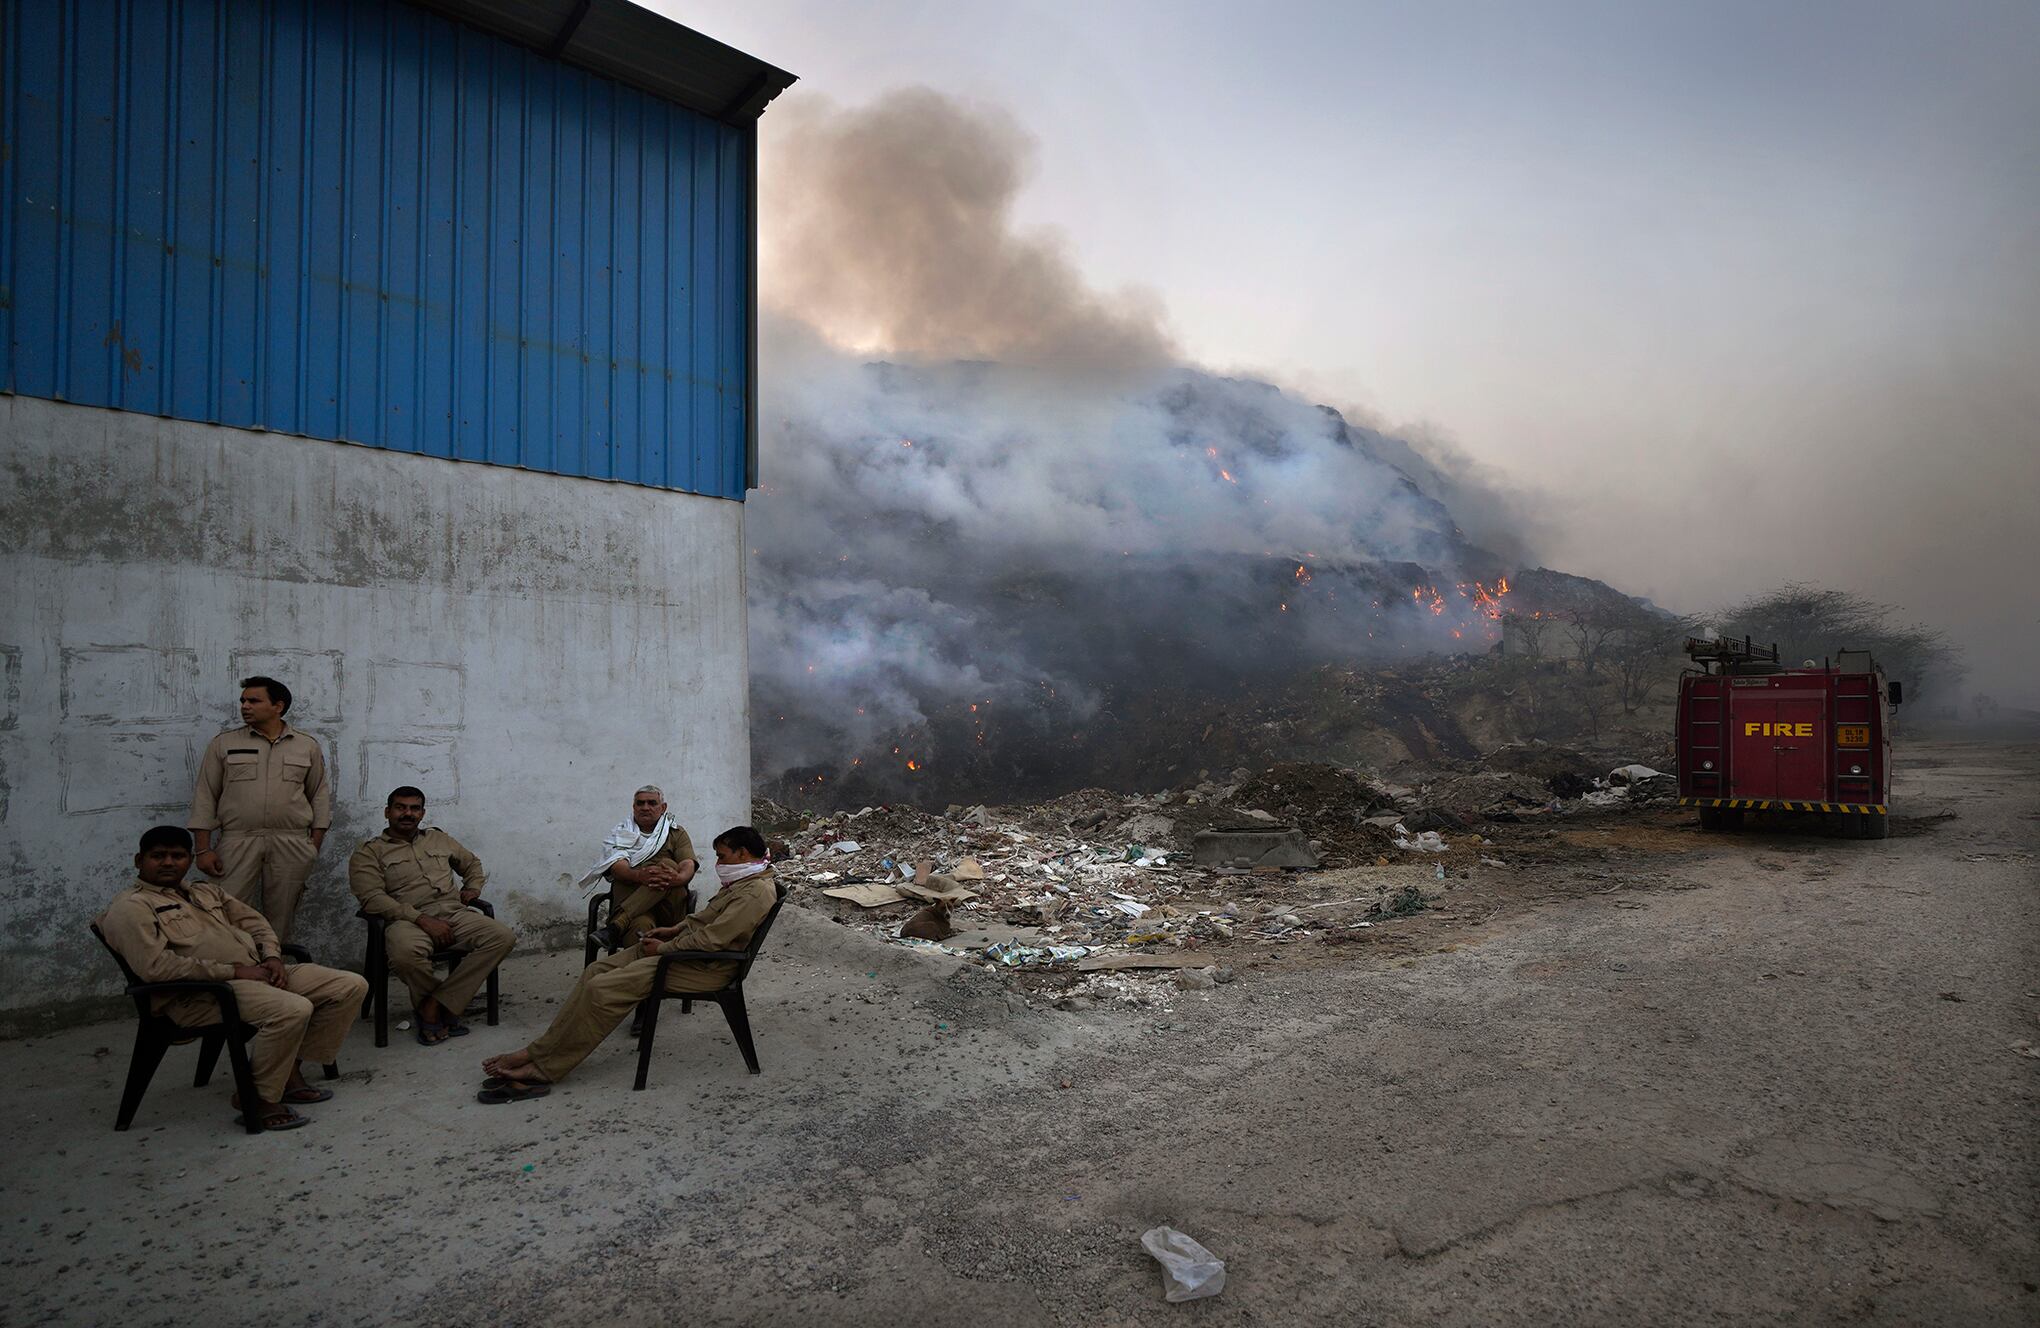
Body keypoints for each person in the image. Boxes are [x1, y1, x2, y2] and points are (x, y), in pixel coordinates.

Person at [97, 826, 367, 1131]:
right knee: (292, 1009)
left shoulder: (205, 891)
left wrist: (272, 956)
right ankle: (259, 1097)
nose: (169, 863)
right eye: (158, 856)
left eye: (177, 856)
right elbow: (156, 967)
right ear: (138, 860)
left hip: (255, 975)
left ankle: (288, 1070)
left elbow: (256, 923)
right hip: (201, 994)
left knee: (349, 985)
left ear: (188, 859)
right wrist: (235, 972)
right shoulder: (131, 907)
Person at [479, 826, 778, 1100]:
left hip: (703, 967)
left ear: (742, 854)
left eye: (722, 856)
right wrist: (673, 930)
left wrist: (666, 947)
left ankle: (543, 1067)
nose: (718, 862)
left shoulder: (755, 891)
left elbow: (713, 940)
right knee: (595, 971)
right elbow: (706, 921)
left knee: (602, 990)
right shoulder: (744, 881)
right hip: (683, 952)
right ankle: (538, 1051)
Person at [348, 786, 515, 1046]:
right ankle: (437, 1007)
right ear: (387, 812)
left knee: (501, 937)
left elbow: (471, 863)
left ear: (422, 813)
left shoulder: (439, 840)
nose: (407, 813)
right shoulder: (369, 852)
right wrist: (421, 919)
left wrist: (472, 887)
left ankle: (434, 1005)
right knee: (405, 954)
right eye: (400, 807)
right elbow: (371, 898)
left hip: (452, 913)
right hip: (406, 921)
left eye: (414, 808)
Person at [188, 675, 331, 941]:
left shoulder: (306, 746)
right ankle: (236, 974)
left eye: (254, 700)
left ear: (278, 706)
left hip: (292, 842)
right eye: (243, 700)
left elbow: (319, 795)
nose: (245, 706)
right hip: (238, 839)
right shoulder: (224, 744)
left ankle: (276, 974)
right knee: (226, 911)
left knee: (282, 916)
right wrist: (203, 849)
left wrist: (313, 845)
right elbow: (205, 795)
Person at [575, 786, 698, 949]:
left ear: (663, 807)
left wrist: (680, 878)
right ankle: (637, 972)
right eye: (640, 803)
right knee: (640, 928)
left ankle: (617, 925)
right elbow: (617, 867)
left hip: (668, 908)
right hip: (636, 909)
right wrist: (639, 876)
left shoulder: (675, 832)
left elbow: (687, 863)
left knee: (668, 866)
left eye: (652, 803)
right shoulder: (621, 833)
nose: (645, 807)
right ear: (634, 807)